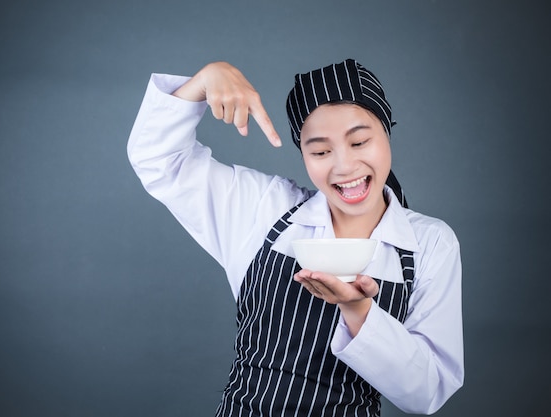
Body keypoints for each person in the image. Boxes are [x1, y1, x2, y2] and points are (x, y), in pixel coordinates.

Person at [127, 59, 464, 416]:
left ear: (386, 132)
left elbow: (428, 391)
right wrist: (203, 80)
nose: (344, 166)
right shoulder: (265, 210)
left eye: (360, 141)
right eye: (320, 151)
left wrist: (358, 309)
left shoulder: (429, 244)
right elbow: (159, 160)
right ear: (302, 152)